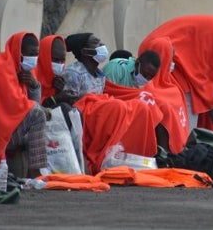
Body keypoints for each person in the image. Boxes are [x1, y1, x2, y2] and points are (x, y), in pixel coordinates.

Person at [64, 33, 162, 173]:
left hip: (98, 112)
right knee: (118, 107)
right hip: (84, 114)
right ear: (85, 51)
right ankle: (104, 155)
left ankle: (136, 155)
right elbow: (71, 103)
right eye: (97, 44)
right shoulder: (74, 72)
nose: (102, 46)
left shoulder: (99, 75)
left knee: (141, 107)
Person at [140, 15, 213, 131]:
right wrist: (212, 106)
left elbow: (205, 70)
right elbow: (201, 71)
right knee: (181, 119)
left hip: (164, 56)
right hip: (162, 54)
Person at [0, 32, 49, 178]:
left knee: (42, 116)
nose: (33, 59)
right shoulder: (2, 68)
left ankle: (42, 169)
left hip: (11, 127)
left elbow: (30, 105)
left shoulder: (21, 70)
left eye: (36, 54)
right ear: (18, 51)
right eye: (30, 54)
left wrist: (34, 85)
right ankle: (34, 171)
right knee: (39, 114)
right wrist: (42, 109)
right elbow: (16, 108)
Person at [138, 37, 190, 154]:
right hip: (160, 153)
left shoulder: (173, 85)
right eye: (170, 58)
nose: (172, 63)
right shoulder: (145, 88)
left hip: (181, 150)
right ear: (163, 58)